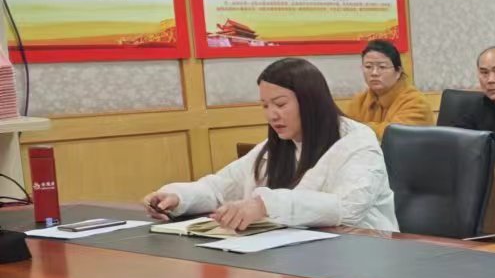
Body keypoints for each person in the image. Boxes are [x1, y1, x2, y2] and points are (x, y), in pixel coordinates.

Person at [144, 57, 397, 232]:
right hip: (297, 255)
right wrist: (178, 197)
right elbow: (220, 187)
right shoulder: (276, 146)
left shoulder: (357, 142)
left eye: (280, 104)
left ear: (310, 101)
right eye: (265, 106)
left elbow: (348, 208)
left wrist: (264, 205)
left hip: (363, 255)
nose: (272, 115)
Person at [343, 39, 429, 137]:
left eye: (382, 67)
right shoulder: (359, 101)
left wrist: (356, 129)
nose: (374, 73)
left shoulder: (416, 102)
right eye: (368, 67)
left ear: (398, 72)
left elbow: (395, 135)